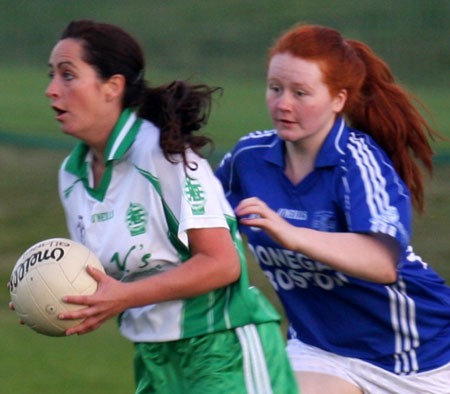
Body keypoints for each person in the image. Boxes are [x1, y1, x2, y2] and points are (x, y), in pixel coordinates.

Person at [29, 19, 298, 394]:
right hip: (154, 359)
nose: (52, 90)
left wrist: (122, 297)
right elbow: (99, 279)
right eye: (52, 75)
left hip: (223, 350)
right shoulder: (71, 175)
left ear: (112, 87)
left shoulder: (162, 155)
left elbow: (222, 263)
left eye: (68, 75)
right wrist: (43, 293)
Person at [215, 24, 450, 394]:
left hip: (419, 356)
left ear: (338, 99)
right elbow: (197, 220)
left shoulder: (356, 160)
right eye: (275, 88)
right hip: (320, 349)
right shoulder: (248, 159)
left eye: (301, 93)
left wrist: (293, 235)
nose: (283, 104)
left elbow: (381, 263)